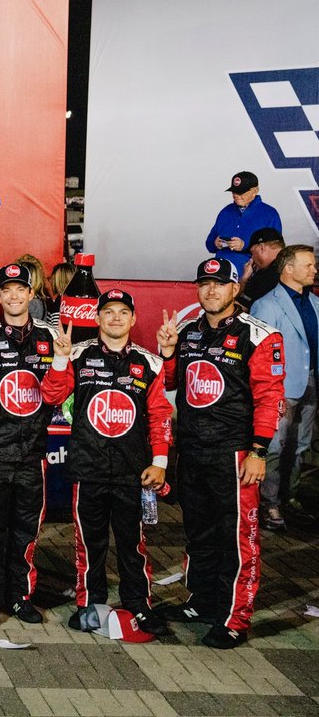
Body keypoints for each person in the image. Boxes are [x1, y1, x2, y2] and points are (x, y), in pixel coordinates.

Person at [156, 257, 284, 649]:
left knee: (238, 537)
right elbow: (174, 382)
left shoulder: (259, 335)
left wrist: (258, 451)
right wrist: (167, 352)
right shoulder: (190, 332)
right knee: (199, 533)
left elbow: (269, 398)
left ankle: (234, 617)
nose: (210, 290)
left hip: (235, 453)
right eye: (204, 284)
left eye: (219, 284)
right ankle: (203, 601)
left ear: (234, 289)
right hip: (193, 450)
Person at [40, 289, 173, 637]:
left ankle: (139, 605)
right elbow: (52, 396)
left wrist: (160, 462)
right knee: (89, 542)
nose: (115, 318)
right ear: (97, 319)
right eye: (108, 312)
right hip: (89, 469)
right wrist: (58, 360)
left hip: (134, 471)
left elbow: (160, 416)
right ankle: (90, 604)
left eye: (122, 312)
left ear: (133, 319)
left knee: (133, 543)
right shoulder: (78, 355)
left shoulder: (149, 363)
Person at [0, 263, 59, 627]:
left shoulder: (51, 339)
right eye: (8, 290)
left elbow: (58, 393)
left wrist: (64, 359)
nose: (15, 295)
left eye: (21, 289)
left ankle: (20, 597)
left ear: (31, 294)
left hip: (33, 453)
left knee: (27, 530)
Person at [250, 244, 319, 531]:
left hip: (310, 383)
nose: (314, 270)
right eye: (309, 265)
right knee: (275, 447)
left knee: (300, 445)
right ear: (288, 269)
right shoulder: (266, 305)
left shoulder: (315, 303)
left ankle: (288, 498)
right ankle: (269, 505)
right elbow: (260, 354)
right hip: (279, 387)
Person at [205, 171, 281, 270]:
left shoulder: (269, 214)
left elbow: (275, 250)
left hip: (252, 275)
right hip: (223, 273)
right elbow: (209, 245)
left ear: (255, 191)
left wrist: (245, 246)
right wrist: (215, 243)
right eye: (234, 191)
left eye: (241, 192)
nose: (236, 195)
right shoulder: (226, 211)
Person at [239, 228, 286, 309]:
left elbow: (239, 309)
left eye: (252, 253)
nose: (252, 258)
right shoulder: (295, 265)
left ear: (261, 248)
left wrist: (244, 279)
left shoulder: (265, 275)